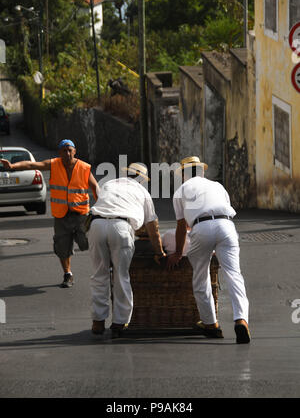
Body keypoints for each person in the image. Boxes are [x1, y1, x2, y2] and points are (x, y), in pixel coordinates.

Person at [167, 156, 250, 344]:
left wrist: (178, 253)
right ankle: (241, 319)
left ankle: (211, 324)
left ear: (183, 175)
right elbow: (219, 209)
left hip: (201, 228)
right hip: (226, 225)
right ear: (202, 172)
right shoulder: (217, 186)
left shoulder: (180, 191)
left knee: (201, 276)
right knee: (234, 274)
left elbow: (182, 227)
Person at [0, 139, 98, 288]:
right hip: (61, 216)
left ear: (75, 151)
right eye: (64, 150)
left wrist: (101, 207)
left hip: (80, 215)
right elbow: (32, 165)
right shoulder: (54, 164)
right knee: (62, 248)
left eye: (70, 150)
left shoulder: (84, 168)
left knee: (87, 243)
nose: (67, 153)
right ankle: (68, 274)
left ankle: (105, 266)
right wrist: (13, 166)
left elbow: (95, 187)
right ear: (59, 153)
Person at [88, 162, 166, 338]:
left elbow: (106, 205)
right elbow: (153, 228)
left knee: (99, 274)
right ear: (143, 180)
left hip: (97, 224)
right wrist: (159, 251)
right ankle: (119, 323)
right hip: (121, 227)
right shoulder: (143, 192)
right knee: (121, 275)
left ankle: (98, 321)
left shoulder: (109, 183)